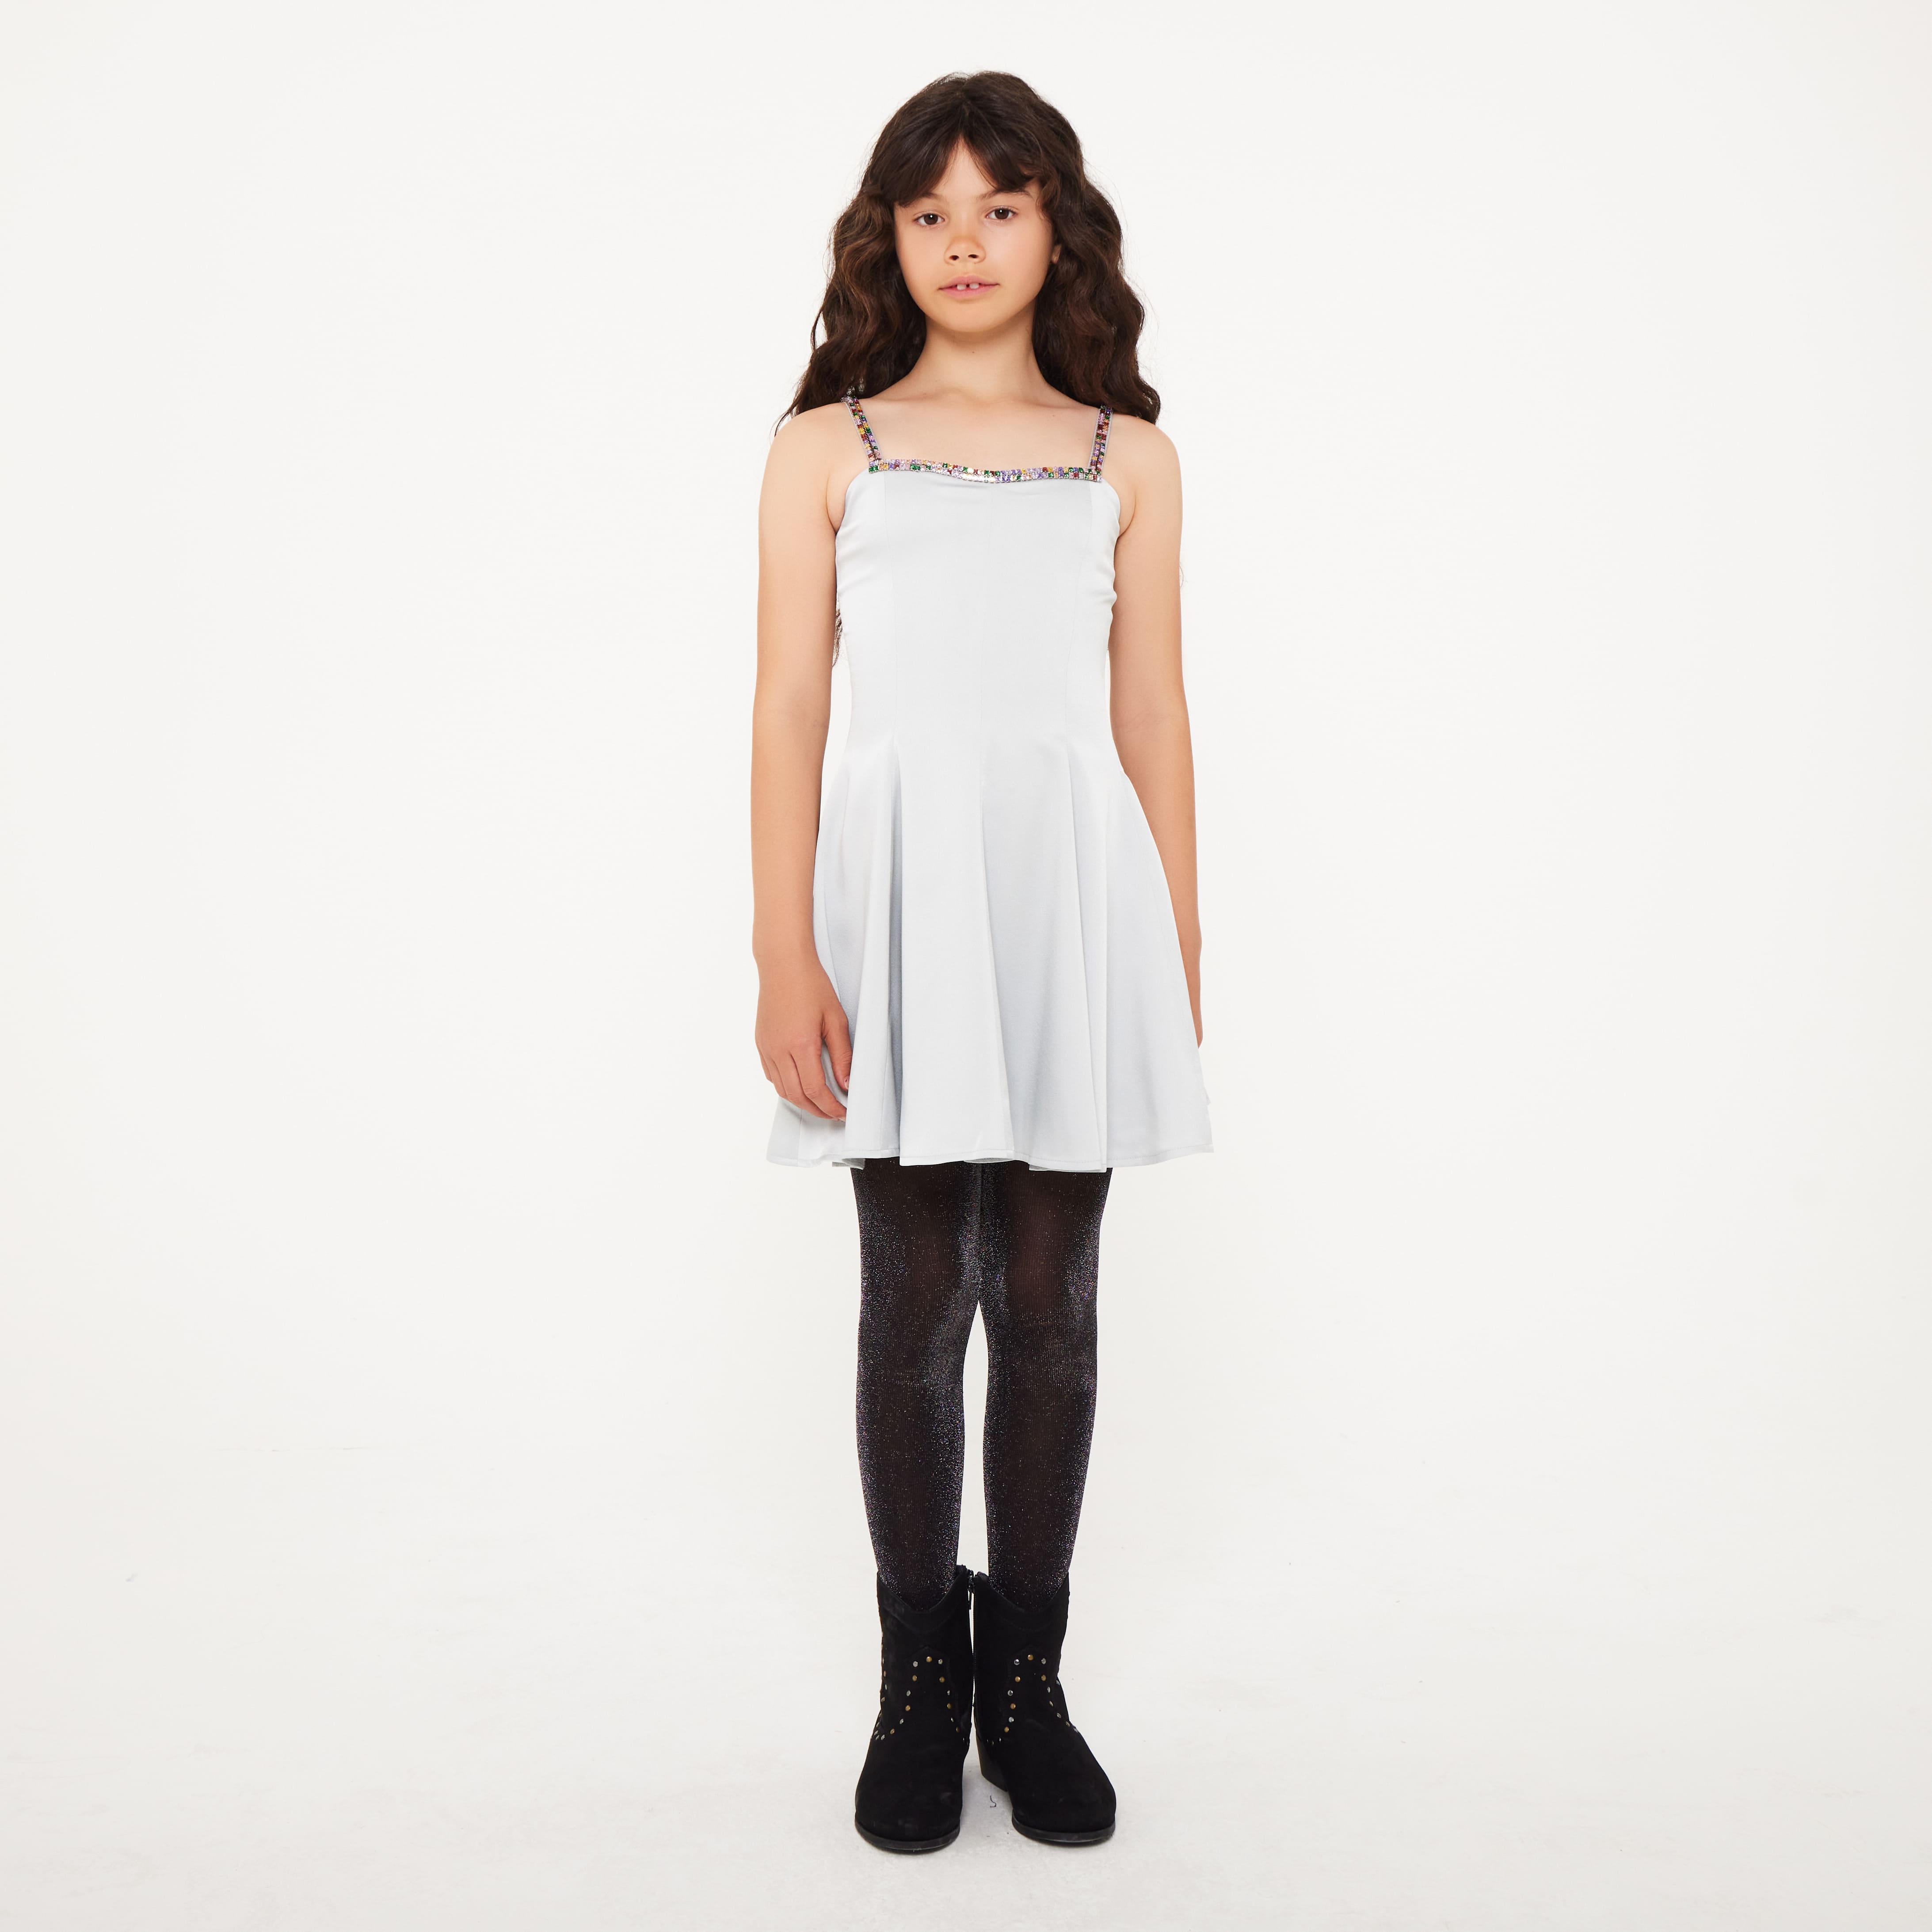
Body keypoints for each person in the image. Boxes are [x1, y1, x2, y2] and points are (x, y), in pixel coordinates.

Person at [750, 70, 1210, 1853]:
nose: (964, 239)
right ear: (887, 237)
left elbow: (1150, 711)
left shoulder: (1124, 458)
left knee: (1048, 1293)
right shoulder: (829, 447)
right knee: (914, 1288)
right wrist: (782, 948)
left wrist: (1173, 942)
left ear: (1053, 230)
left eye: (999, 206)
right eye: (929, 209)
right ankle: (915, 1679)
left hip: (1066, 902)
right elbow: (791, 706)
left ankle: (1025, 1677)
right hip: (894, 902)